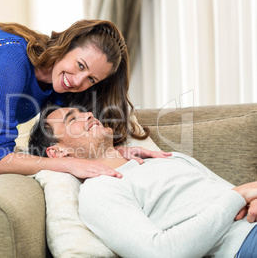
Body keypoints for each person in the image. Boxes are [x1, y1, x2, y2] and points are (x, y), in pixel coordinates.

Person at [0, 20, 170, 212]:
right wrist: (70, 166)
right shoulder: (7, 61)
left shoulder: (60, 86)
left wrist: (120, 153)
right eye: (80, 65)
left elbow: (69, 139)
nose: (78, 81)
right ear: (66, 45)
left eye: (91, 79)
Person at [28, 105, 257, 258]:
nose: (88, 115)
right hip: (245, 242)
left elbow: (243, 193)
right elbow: (158, 253)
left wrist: (249, 196)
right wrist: (236, 198)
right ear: (57, 152)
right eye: (72, 120)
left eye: (84, 112)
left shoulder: (170, 158)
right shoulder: (101, 189)